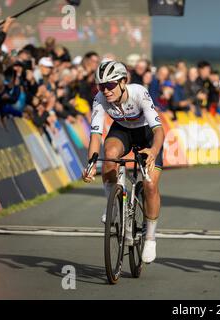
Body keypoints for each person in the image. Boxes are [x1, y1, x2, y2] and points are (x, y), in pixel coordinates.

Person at [82, 61, 165, 264]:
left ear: (123, 82)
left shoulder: (139, 93)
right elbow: (95, 134)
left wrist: (153, 151)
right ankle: (112, 202)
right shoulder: (100, 99)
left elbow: (158, 130)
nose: (106, 90)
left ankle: (151, 238)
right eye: (101, 86)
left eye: (110, 85)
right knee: (109, 155)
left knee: (150, 185)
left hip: (147, 134)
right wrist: (91, 164)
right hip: (122, 131)